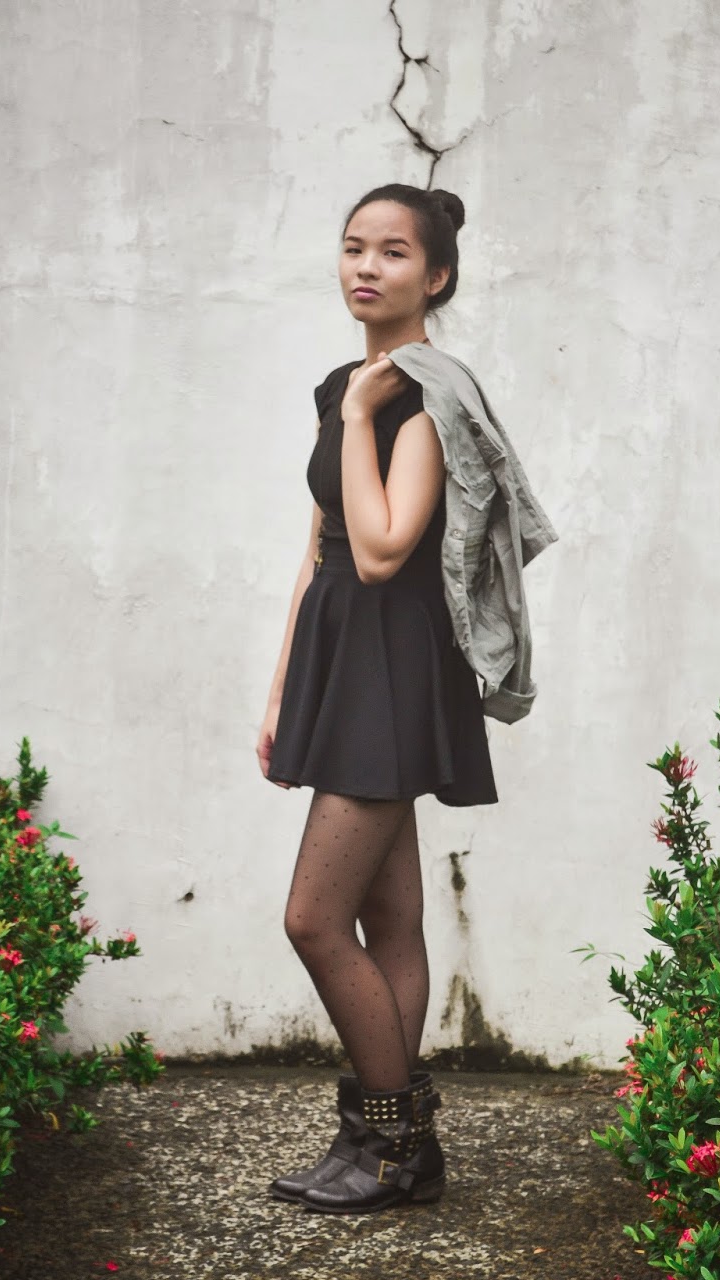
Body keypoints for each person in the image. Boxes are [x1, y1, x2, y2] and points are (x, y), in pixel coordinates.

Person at [255, 183, 497, 1216]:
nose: (366, 266)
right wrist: (282, 689)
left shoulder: (431, 399)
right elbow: (319, 545)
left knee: (314, 919)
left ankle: (394, 1142)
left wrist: (362, 412)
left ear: (435, 276)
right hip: (342, 660)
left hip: (392, 666)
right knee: (388, 916)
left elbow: (385, 545)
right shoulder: (338, 385)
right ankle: (384, 1144)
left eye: (393, 252)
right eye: (354, 246)